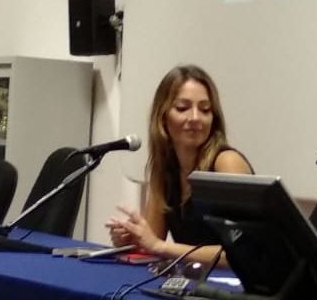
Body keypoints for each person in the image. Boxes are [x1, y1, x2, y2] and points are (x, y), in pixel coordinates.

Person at [106, 65, 252, 264]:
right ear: (163, 117)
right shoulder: (164, 167)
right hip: (194, 278)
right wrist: (133, 238)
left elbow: (243, 253)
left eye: (205, 109)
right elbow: (152, 242)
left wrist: (160, 247)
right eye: (183, 108)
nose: (195, 118)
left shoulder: (227, 163)